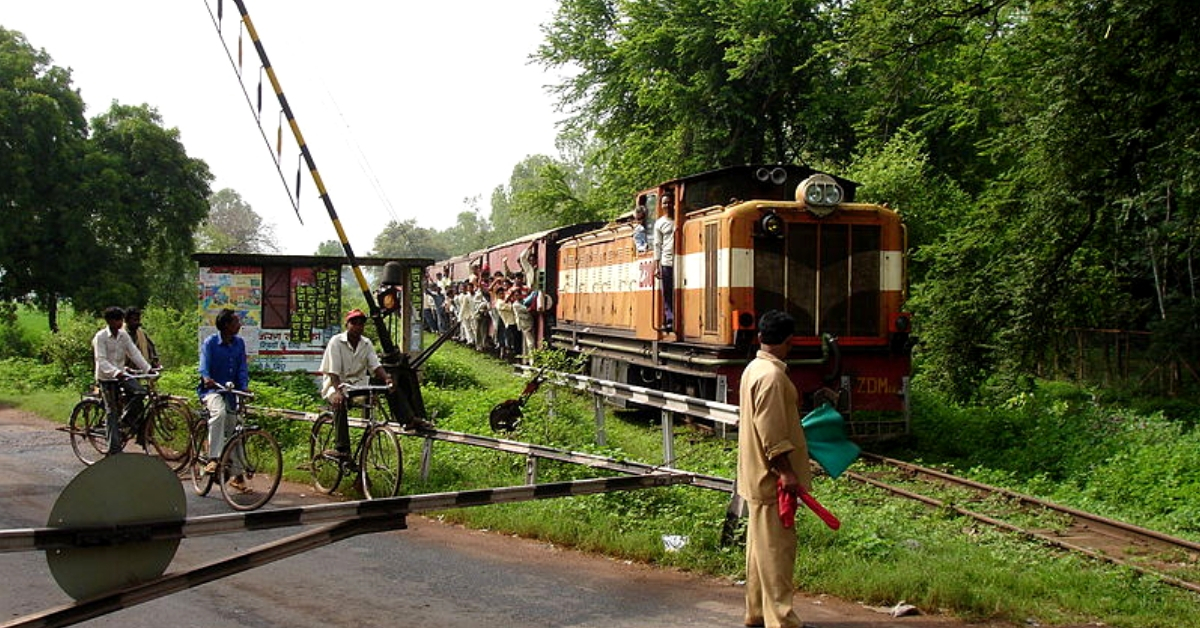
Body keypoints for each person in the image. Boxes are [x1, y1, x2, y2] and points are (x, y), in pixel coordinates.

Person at [737, 309, 812, 628]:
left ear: (760, 338)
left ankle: (756, 613)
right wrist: (787, 472)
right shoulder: (771, 377)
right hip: (771, 481)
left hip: (755, 477)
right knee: (777, 553)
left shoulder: (753, 369)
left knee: (759, 551)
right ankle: (782, 620)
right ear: (790, 342)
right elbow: (771, 434)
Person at [320, 308, 394, 462]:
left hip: (358, 384)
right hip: (337, 384)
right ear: (347, 324)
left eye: (361, 323)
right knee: (339, 402)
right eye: (354, 323)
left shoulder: (366, 344)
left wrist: (387, 379)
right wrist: (338, 391)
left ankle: (407, 418)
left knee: (392, 387)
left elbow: (375, 366)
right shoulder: (336, 342)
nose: (358, 326)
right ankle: (342, 449)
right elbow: (333, 372)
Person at [197, 308, 251, 487]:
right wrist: (206, 379)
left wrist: (244, 388)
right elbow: (204, 366)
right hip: (212, 391)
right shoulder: (210, 343)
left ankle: (236, 473)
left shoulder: (239, 344)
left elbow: (242, 368)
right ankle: (214, 458)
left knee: (234, 426)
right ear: (226, 325)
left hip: (230, 391)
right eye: (236, 322)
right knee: (219, 414)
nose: (239, 325)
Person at [92, 306, 153, 454]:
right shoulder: (100, 337)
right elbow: (101, 360)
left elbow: (134, 353)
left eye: (120, 319)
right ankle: (114, 449)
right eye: (116, 320)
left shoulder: (123, 336)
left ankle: (126, 420)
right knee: (111, 412)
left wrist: (147, 368)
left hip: (122, 374)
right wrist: (116, 372)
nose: (119, 323)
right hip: (106, 377)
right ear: (109, 321)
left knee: (140, 392)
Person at [652, 191, 677, 330]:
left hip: (681, 260)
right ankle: (670, 318)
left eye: (669, 202)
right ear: (661, 205)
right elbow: (657, 244)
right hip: (667, 260)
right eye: (664, 203)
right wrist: (657, 266)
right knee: (667, 291)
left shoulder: (678, 219)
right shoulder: (659, 223)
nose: (667, 205)